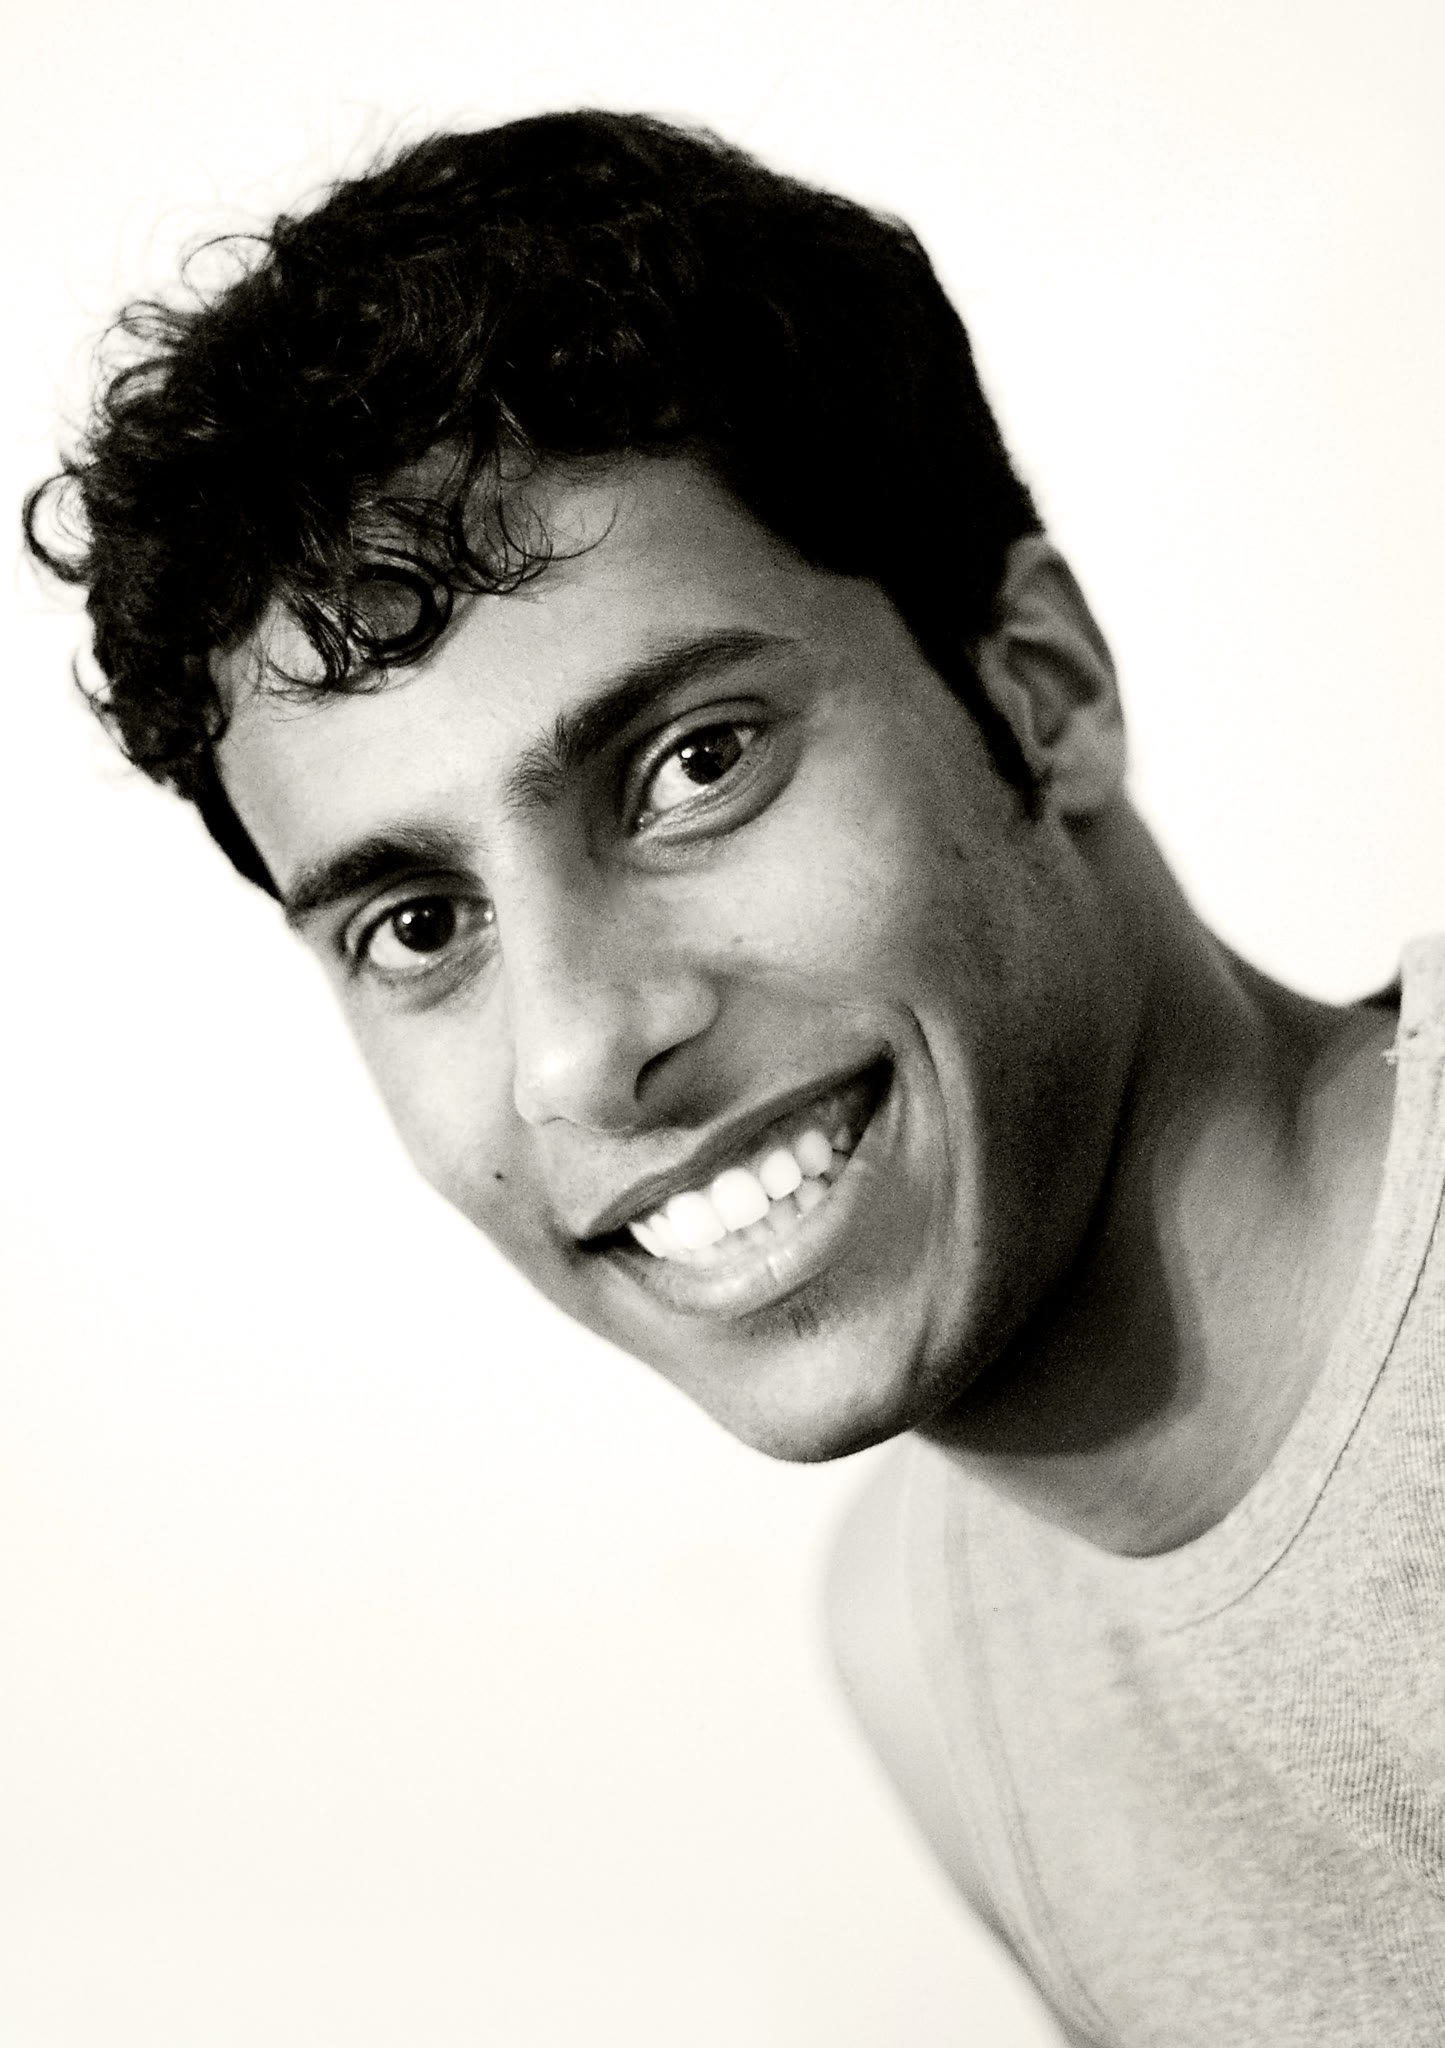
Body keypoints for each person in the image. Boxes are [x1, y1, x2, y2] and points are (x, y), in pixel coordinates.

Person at [23, 108, 1445, 2045]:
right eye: (419, 926)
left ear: (1037, 688)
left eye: (694, 766)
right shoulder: (926, 1648)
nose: (580, 1046)